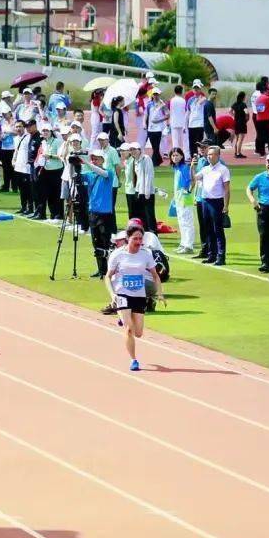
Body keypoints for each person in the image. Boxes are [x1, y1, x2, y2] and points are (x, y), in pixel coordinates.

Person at [105, 223, 164, 371]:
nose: (138, 242)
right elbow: (107, 277)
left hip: (138, 294)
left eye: (140, 239)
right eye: (135, 239)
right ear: (127, 239)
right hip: (122, 294)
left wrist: (160, 293)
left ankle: (122, 318)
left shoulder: (145, 254)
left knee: (138, 333)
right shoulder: (118, 254)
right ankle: (134, 360)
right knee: (129, 330)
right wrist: (113, 295)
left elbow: (155, 275)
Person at [82, 148, 118, 278]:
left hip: (105, 214)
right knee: (95, 242)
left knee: (105, 241)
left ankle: (109, 269)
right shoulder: (90, 175)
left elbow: (101, 172)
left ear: (103, 160)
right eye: (93, 158)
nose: (94, 160)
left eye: (97, 158)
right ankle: (101, 269)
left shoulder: (108, 173)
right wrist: (72, 165)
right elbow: (74, 177)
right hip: (93, 213)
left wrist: (86, 163)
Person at [194, 145, 231, 266]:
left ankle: (221, 256)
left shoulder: (223, 169)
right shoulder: (205, 169)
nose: (209, 156)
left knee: (218, 230)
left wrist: (226, 205)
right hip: (205, 201)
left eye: (212, 154)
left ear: (218, 155)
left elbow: (226, 189)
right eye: (208, 154)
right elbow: (194, 178)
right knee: (208, 229)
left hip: (217, 202)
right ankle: (212, 254)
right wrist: (192, 167)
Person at [169, 148, 196, 254]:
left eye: (177, 155)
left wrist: (188, 191)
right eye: (173, 155)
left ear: (181, 156)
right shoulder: (176, 168)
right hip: (178, 197)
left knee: (187, 221)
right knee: (181, 221)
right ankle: (184, 243)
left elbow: (192, 181)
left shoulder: (184, 168)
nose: (175, 157)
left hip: (185, 197)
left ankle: (189, 245)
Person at [252, 79, 269, 157]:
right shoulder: (268, 98)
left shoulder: (258, 99)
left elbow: (259, 110)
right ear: (265, 91)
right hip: (268, 120)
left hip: (259, 120)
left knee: (261, 136)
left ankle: (262, 153)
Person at [230, 91, 249, 158]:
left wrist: (234, 115)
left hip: (236, 122)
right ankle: (238, 153)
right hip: (242, 122)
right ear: (243, 97)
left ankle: (236, 152)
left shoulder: (235, 104)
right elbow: (246, 112)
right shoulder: (243, 105)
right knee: (240, 139)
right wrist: (246, 118)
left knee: (237, 138)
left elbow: (230, 111)